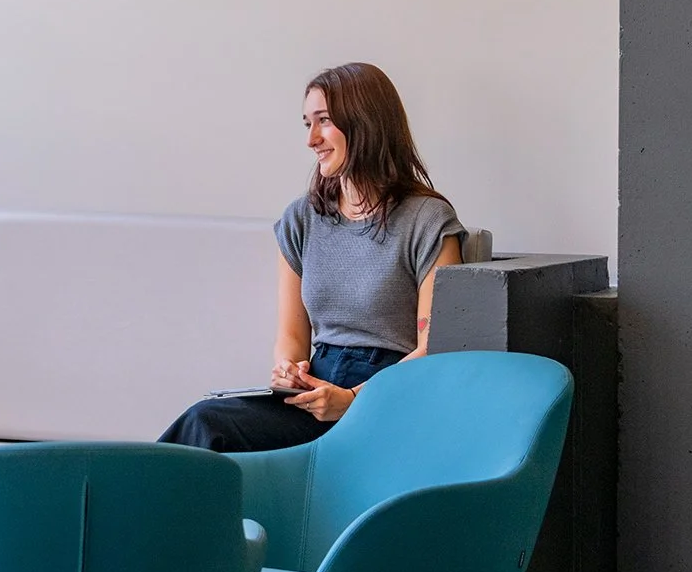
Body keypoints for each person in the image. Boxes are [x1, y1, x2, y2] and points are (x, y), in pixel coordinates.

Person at [161, 62, 466, 456]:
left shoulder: (428, 220)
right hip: (314, 391)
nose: (311, 139)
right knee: (205, 419)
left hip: (387, 396)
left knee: (208, 427)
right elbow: (291, 336)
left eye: (323, 121)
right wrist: (289, 369)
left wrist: (354, 398)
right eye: (307, 123)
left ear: (365, 123)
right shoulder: (302, 218)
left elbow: (433, 349)